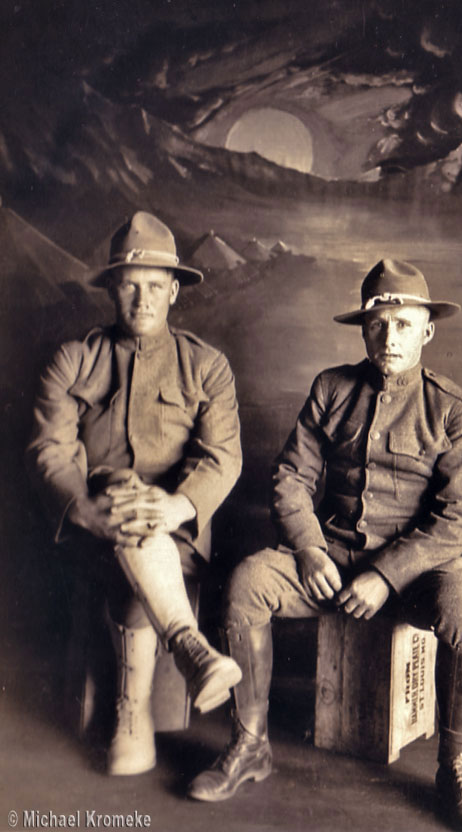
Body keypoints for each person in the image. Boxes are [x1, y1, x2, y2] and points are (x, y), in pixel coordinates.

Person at [188, 259, 462, 832]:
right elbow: (291, 478)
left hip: (419, 570)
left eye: (404, 325)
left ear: (427, 331)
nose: (390, 338)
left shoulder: (454, 409)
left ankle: (457, 770)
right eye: (379, 325)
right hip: (329, 558)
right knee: (248, 582)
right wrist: (308, 549)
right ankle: (250, 744)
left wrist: (387, 576)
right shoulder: (332, 388)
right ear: (362, 329)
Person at [27, 211, 243, 776]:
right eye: (130, 285)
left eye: (154, 286)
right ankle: (189, 652)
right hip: (93, 526)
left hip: (179, 530)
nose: (142, 299)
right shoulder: (74, 360)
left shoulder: (207, 367)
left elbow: (222, 457)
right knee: (121, 496)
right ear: (111, 291)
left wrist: (174, 505)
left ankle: (133, 712)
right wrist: (88, 508)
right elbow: (51, 449)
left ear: (174, 291)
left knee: (140, 513)